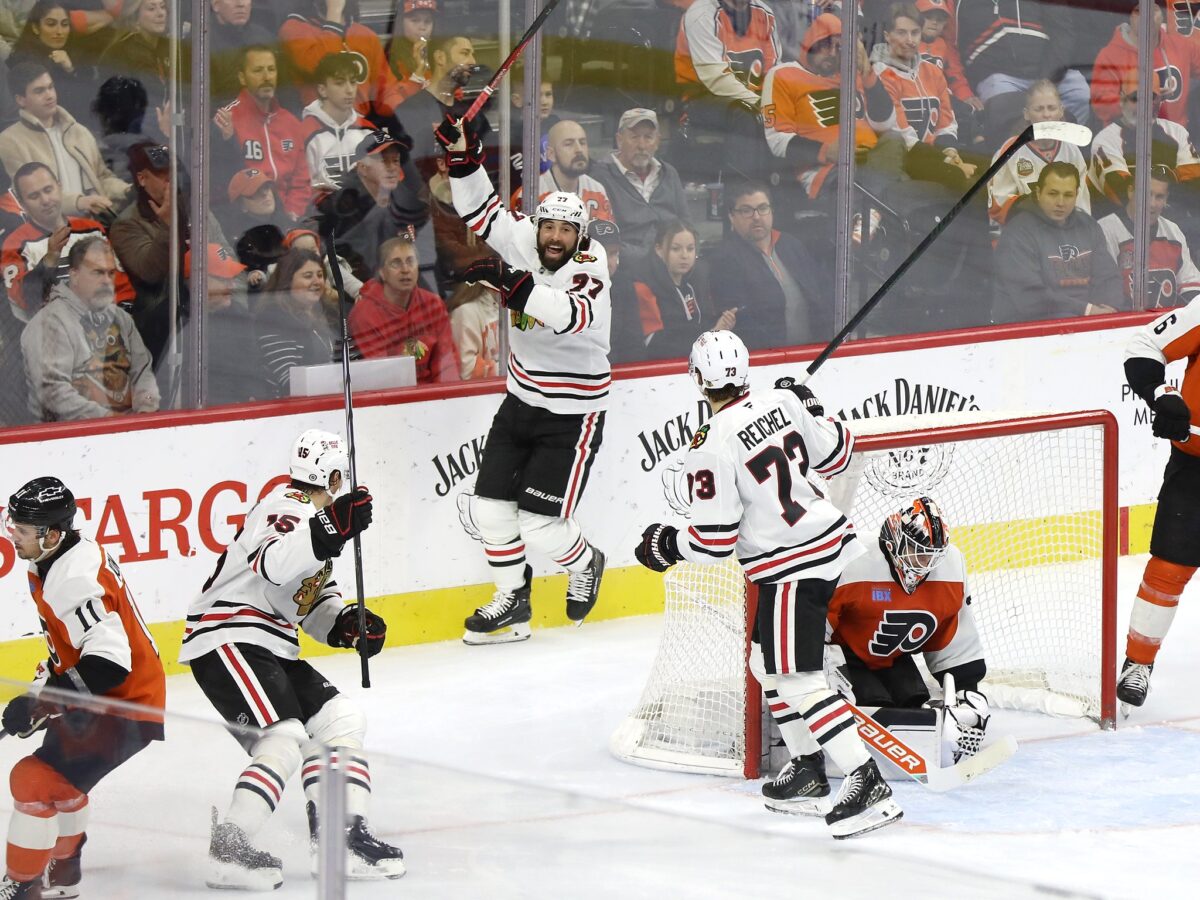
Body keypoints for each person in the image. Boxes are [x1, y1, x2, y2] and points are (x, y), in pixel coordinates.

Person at [632, 330, 901, 839]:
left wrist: (666, 545)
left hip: (789, 567)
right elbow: (839, 454)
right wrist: (809, 403)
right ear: (745, 368)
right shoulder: (782, 400)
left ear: (696, 379)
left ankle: (865, 781)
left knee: (799, 679)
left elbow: (713, 542)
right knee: (764, 661)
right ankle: (807, 769)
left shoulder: (709, 444)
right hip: (826, 545)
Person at [179, 430, 404, 889]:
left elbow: (305, 600)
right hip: (230, 637)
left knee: (341, 720)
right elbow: (274, 564)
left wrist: (346, 623)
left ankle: (341, 838)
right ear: (336, 476)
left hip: (272, 643)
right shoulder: (287, 506)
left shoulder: (314, 518)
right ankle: (230, 846)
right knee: (282, 741)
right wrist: (331, 527)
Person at [436, 113, 610, 644]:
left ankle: (587, 563)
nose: (555, 237)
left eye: (566, 230)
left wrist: (512, 286)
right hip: (520, 402)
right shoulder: (525, 242)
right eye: (549, 227)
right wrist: (465, 156)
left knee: (538, 523)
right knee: (489, 510)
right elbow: (481, 210)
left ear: (581, 236)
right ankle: (511, 599)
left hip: (572, 414)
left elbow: (568, 312)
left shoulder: (591, 265)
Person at [0, 476, 165, 899]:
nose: (11, 535)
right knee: (63, 785)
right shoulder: (62, 554)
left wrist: (46, 700)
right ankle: (64, 873)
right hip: (111, 695)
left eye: (20, 529)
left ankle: (22, 886)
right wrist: (43, 693)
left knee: (34, 780)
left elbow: (109, 663)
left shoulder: (73, 578)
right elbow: (79, 649)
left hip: (123, 702)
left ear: (51, 535)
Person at [824, 496, 990, 774]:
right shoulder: (852, 559)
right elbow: (817, 623)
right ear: (893, 544)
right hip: (847, 656)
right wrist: (821, 674)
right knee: (874, 705)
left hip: (895, 658)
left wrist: (966, 689)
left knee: (915, 705)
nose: (926, 563)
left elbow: (954, 634)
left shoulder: (949, 568)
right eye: (918, 551)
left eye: (933, 555)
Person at [1118, 282, 1200, 710]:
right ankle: (1138, 663)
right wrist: (1162, 394)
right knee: (1170, 567)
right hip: (1196, 468)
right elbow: (1145, 343)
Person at [761, 14, 899, 205]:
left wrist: (867, 72)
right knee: (884, 187)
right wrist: (825, 151)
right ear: (811, 43)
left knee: (895, 142)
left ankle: (872, 218)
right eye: (826, 44)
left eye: (839, 47)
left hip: (872, 160)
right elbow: (777, 139)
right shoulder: (784, 75)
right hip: (829, 172)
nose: (833, 53)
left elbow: (884, 123)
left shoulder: (852, 75)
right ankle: (872, 218)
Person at [20, 235, 159, 420]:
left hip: (127, 429)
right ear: (74, 274)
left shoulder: (122, 319)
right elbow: (54, 393)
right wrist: (112, 420)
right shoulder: (50, 323)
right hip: (66, 439)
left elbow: (143, 372)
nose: (106, 281)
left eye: (111, 273)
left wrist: (146, 408)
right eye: (97, 272)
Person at [2, 161, 134, 323]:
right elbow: (25, 301)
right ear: (22, 204)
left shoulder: (92, 229)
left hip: (107, 328)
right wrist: (49, 260)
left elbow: (120, 286)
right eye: (34, 196)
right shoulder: (13, 245)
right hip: (51, 335)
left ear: (59, 186)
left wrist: (124, 318)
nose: (45, 200)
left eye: (48, 190)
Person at [993, 161, 1125, 324]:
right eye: (1053, 194)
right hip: (1034, 330)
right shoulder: (1018, 232)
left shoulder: (1088, 226)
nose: (1060, 203)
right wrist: (1087, 311)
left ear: (1077, 195)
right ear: (1038, 192)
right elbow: (1030, 297)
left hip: (1087, 324)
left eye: (1068, 195)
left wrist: (1109, 309)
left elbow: (1108, 278)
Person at [707, 180, 830, 349]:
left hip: (810, 354)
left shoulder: (791, 245)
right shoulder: (725, 260)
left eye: (763, 208)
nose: (756, 217)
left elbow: (820, 294)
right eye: (746, 210)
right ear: (731, 216)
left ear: (771, 211)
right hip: (764, 361)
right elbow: (741, 323)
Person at [0, 62, 129, 220]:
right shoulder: (9, 142)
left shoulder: (79, 132)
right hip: (48, 233)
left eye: (50, 87)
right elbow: (27, 198)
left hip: (94, 226)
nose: (49, 95)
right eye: (39, 91)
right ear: (21, 100)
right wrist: (79, 202)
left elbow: (101, 178)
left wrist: (126, 191)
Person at [872, 3, 977, 191]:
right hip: (900, 162)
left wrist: (951, 153)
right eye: (901, 33)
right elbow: (903, 135)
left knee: (983, 177)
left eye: (915, 33)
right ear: (887, 35)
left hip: (934, 159)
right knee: (961, 182)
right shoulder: (880, 74)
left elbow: (946, 123)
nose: (910, 40)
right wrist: (949, 164)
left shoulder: (932, 72)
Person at [213, 46, 313, 220]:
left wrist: (292, 213)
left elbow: (301, 181)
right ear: (242, 77)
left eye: (271, 70)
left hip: (288, 217)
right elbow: (222, 180)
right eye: (258, 71)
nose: (267, 77)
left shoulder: (291, 122)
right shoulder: (226, 120)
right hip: (246, 218)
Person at [348, 234, 459, 383]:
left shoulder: (433, 304)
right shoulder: (364, 314)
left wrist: (445, 398)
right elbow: (380, 376)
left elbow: (447, 364)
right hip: (390, 398)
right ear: (382, 272)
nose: (405, 269)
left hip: (433, 396)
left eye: (410, 261)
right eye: (396, 263)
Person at [988, 80, 1091, 239]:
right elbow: (997, 206)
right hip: (1021, 236)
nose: (1046, 115)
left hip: (1064, 236)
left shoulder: (1072, 151)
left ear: (1061, 111)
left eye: (1052, 108)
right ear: (1026, 114)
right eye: (1039, 109)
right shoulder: (1009, 151)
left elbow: (1082, 206)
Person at [590, 108, 690, 266]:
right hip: (627, 268)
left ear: (657, 142)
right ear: (619, 140)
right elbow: (602, 238)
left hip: (670, 265)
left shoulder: (669, 173)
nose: (642, 145)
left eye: (648, 137)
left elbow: (687, 225)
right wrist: (652, 259)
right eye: (634, 137)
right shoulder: (600, 178)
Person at [1089, 71, 1200, 207]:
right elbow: (1122, 194)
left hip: (1175, 220)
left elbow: (1195, 186)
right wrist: (1173, 177)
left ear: (1160, 100)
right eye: (1135, 98)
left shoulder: (1177, 133)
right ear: (1122, 99)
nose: (1143, 104)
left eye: (1151, 97)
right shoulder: (1105, 140)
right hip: (1121, 222)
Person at [1099, 165, 1200, 308]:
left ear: (1166, 199)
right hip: (1125, 324)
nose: (1152, 204)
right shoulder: (1106, 229)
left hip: (1167, 324)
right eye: (1146, 194)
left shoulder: (1173, 231)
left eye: (1159, 197)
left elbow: (1190, 284)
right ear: (1130, 191)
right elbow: (1106, 292)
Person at [632, 218, 732, 361]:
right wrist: (711, 335)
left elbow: (701, 323)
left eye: (690, 249)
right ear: (658, 249)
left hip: (699, 361)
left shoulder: (696, 280)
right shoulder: (643, 286)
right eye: (676, 249)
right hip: (662, 371)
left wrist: (721, 323)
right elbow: (654, 342)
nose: (684, 255)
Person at [1091, 0, 1200, 130]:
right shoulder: (1110, 55)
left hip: (1175, 139)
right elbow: (1101, 107)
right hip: (1126, 140)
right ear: (1130, 16)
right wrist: (1136, 100)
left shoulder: (1181, 45)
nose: (1147, 16)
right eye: (1139, 11)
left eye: (1153, 10)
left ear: (1162, 15)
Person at [255, 247, 337, 397]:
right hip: (290, 411)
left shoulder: (328, 312)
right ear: (287, 281)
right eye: (307, 276)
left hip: (328, 399)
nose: (317, 281)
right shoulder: (274, 320)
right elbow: (290, 381)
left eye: (320, 275)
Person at [6, 0, 97, 128]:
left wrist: (70, 69)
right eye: (51, 24)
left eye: (65, 24)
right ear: (36, 28)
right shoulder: (23, 59)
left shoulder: (74, 53)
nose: (59, 31)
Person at [511, 119, 614, 222]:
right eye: (569, 144)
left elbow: (606, 235)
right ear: (551, 154)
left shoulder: (597, 190)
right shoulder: (529, 195)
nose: (579, 149)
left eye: (582, 143)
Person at [302, 51, 375, 192]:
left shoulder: (368, 130)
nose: (349, 90)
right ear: (323, 90)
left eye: (353, 82)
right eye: (340, 83)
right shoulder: (305, 133)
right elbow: (301, 187)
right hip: (321, 209)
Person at [210, 0, 276, 107]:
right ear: (216, 5)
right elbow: (198, 107)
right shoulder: (199, 44)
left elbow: (284, 94)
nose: (240, 4)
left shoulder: (266, 39)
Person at [386, 0, 435, 86]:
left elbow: (455, 92)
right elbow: (393, 94)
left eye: (427, 21)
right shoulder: (391, 55)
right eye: (415, 20)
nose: (422, 27)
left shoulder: (438, 51)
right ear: (400, 23)